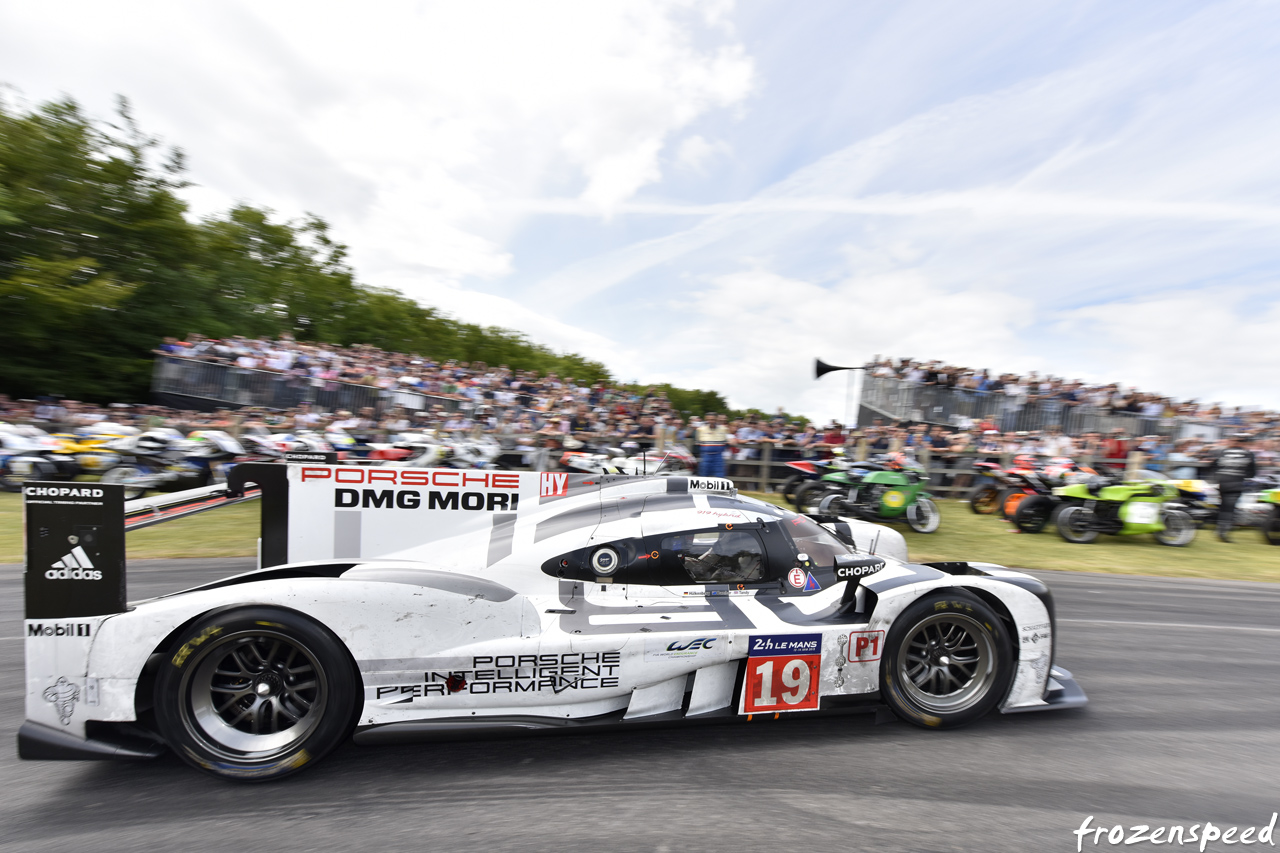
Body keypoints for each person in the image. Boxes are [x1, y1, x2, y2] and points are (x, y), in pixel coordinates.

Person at [1208, 434, 1258, 542]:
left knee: (1223, 506)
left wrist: (1217, 477)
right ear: (1243, 443)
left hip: (1223, 482)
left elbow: (1213, 466)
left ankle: (1219, 528)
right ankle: (1223, 531)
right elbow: (1252, 473)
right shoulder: (1248, 454)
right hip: (1236, 483)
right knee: (1229, 508)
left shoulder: (1223, 452)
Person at [696, 412, 731, 477]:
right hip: (705, 456)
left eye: (713, 419)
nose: (711, 421)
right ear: (706, 419)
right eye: (709, 419)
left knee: (720, 477)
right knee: (704, 477)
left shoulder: (724, 429)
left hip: (718, 456)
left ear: (717, 419)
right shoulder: (700, 429)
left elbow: (727, 443)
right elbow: (698, 444)